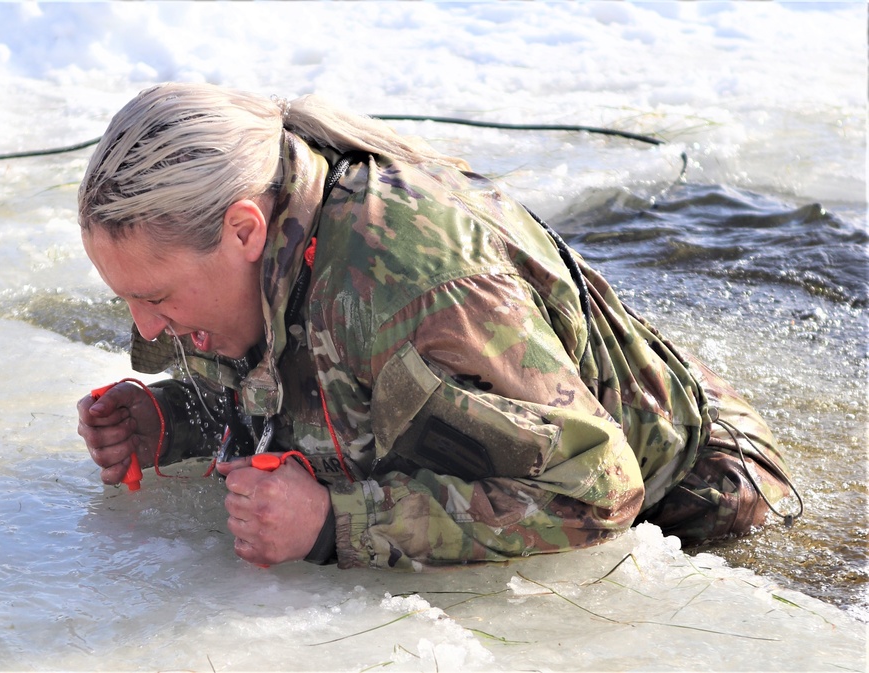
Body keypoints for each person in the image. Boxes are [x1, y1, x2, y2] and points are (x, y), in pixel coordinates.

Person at [76, 82, 800, 570]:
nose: (146, 326)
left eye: (156, 297)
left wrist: (336, 522)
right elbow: (323, 383)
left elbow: (598, 490)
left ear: (243, 230)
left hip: (693, 491)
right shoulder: (258, 241)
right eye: (128, 300)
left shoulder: (418, 287)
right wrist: (175, 419)